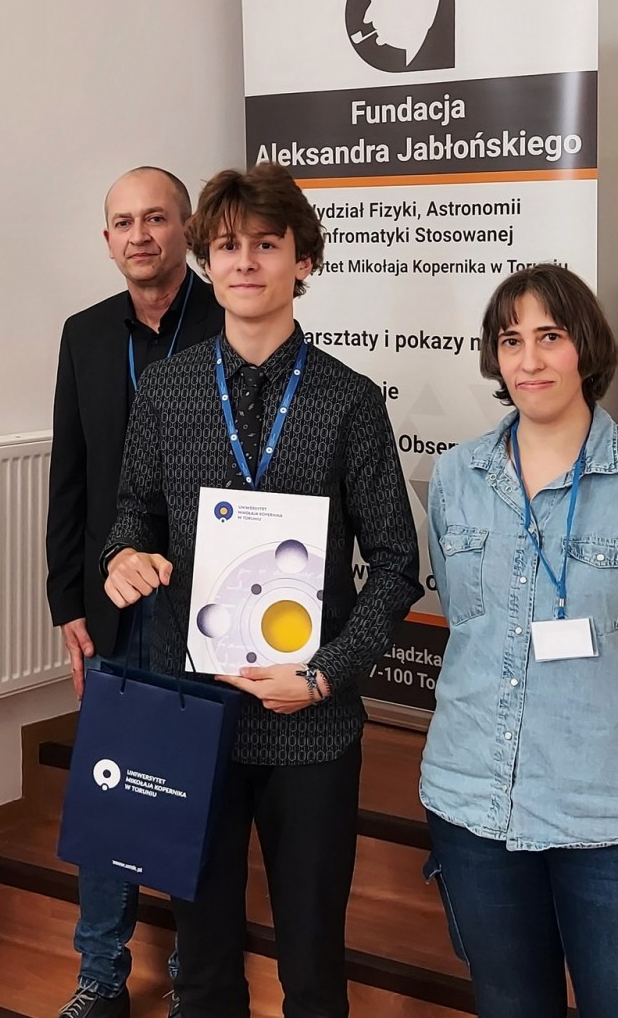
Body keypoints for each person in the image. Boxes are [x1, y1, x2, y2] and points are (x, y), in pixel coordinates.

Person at [101, 163, 421, 1018]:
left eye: (267, 245)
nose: (245, 262)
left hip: (310, 715)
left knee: (311, 957)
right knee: (202, 957)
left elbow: (397, 563)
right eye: (228, 246)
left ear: (303, 260)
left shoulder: (349, 400)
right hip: (192, 709)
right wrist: (123, 556)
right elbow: (133, 511)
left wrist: (324, 674)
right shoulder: (166, 391)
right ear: (206, 260)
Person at [420, 264, 618, 1018]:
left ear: (586, 347)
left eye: (549, 337)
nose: (529, 360)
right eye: (511, 340)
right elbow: (469, 625)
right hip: (476, 806)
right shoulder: (458, 475)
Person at [46, 166, 221, 1018]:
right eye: (123, 222)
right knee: (109, 785)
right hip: (112, 601)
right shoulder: (84, 334)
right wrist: (66, 603)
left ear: (187, 228)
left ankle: (197, 971)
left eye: (156, 218)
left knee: (198, 786)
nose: (140, 235)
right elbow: (70, 475)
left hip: (209, 597)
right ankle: (100, 974)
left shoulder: (229, 319)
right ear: (107, 239)